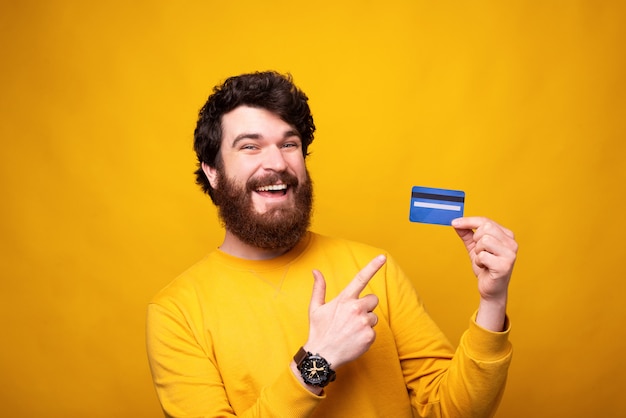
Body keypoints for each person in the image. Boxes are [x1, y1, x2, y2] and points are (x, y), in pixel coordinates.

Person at [146, 71, 518, 418]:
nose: (276, 162)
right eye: (250, 147)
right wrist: (317, 360)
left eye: (289, 144)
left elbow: (451, 409)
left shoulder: (373, 267)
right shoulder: (176, 313)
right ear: (212, 171)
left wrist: (492, 301)